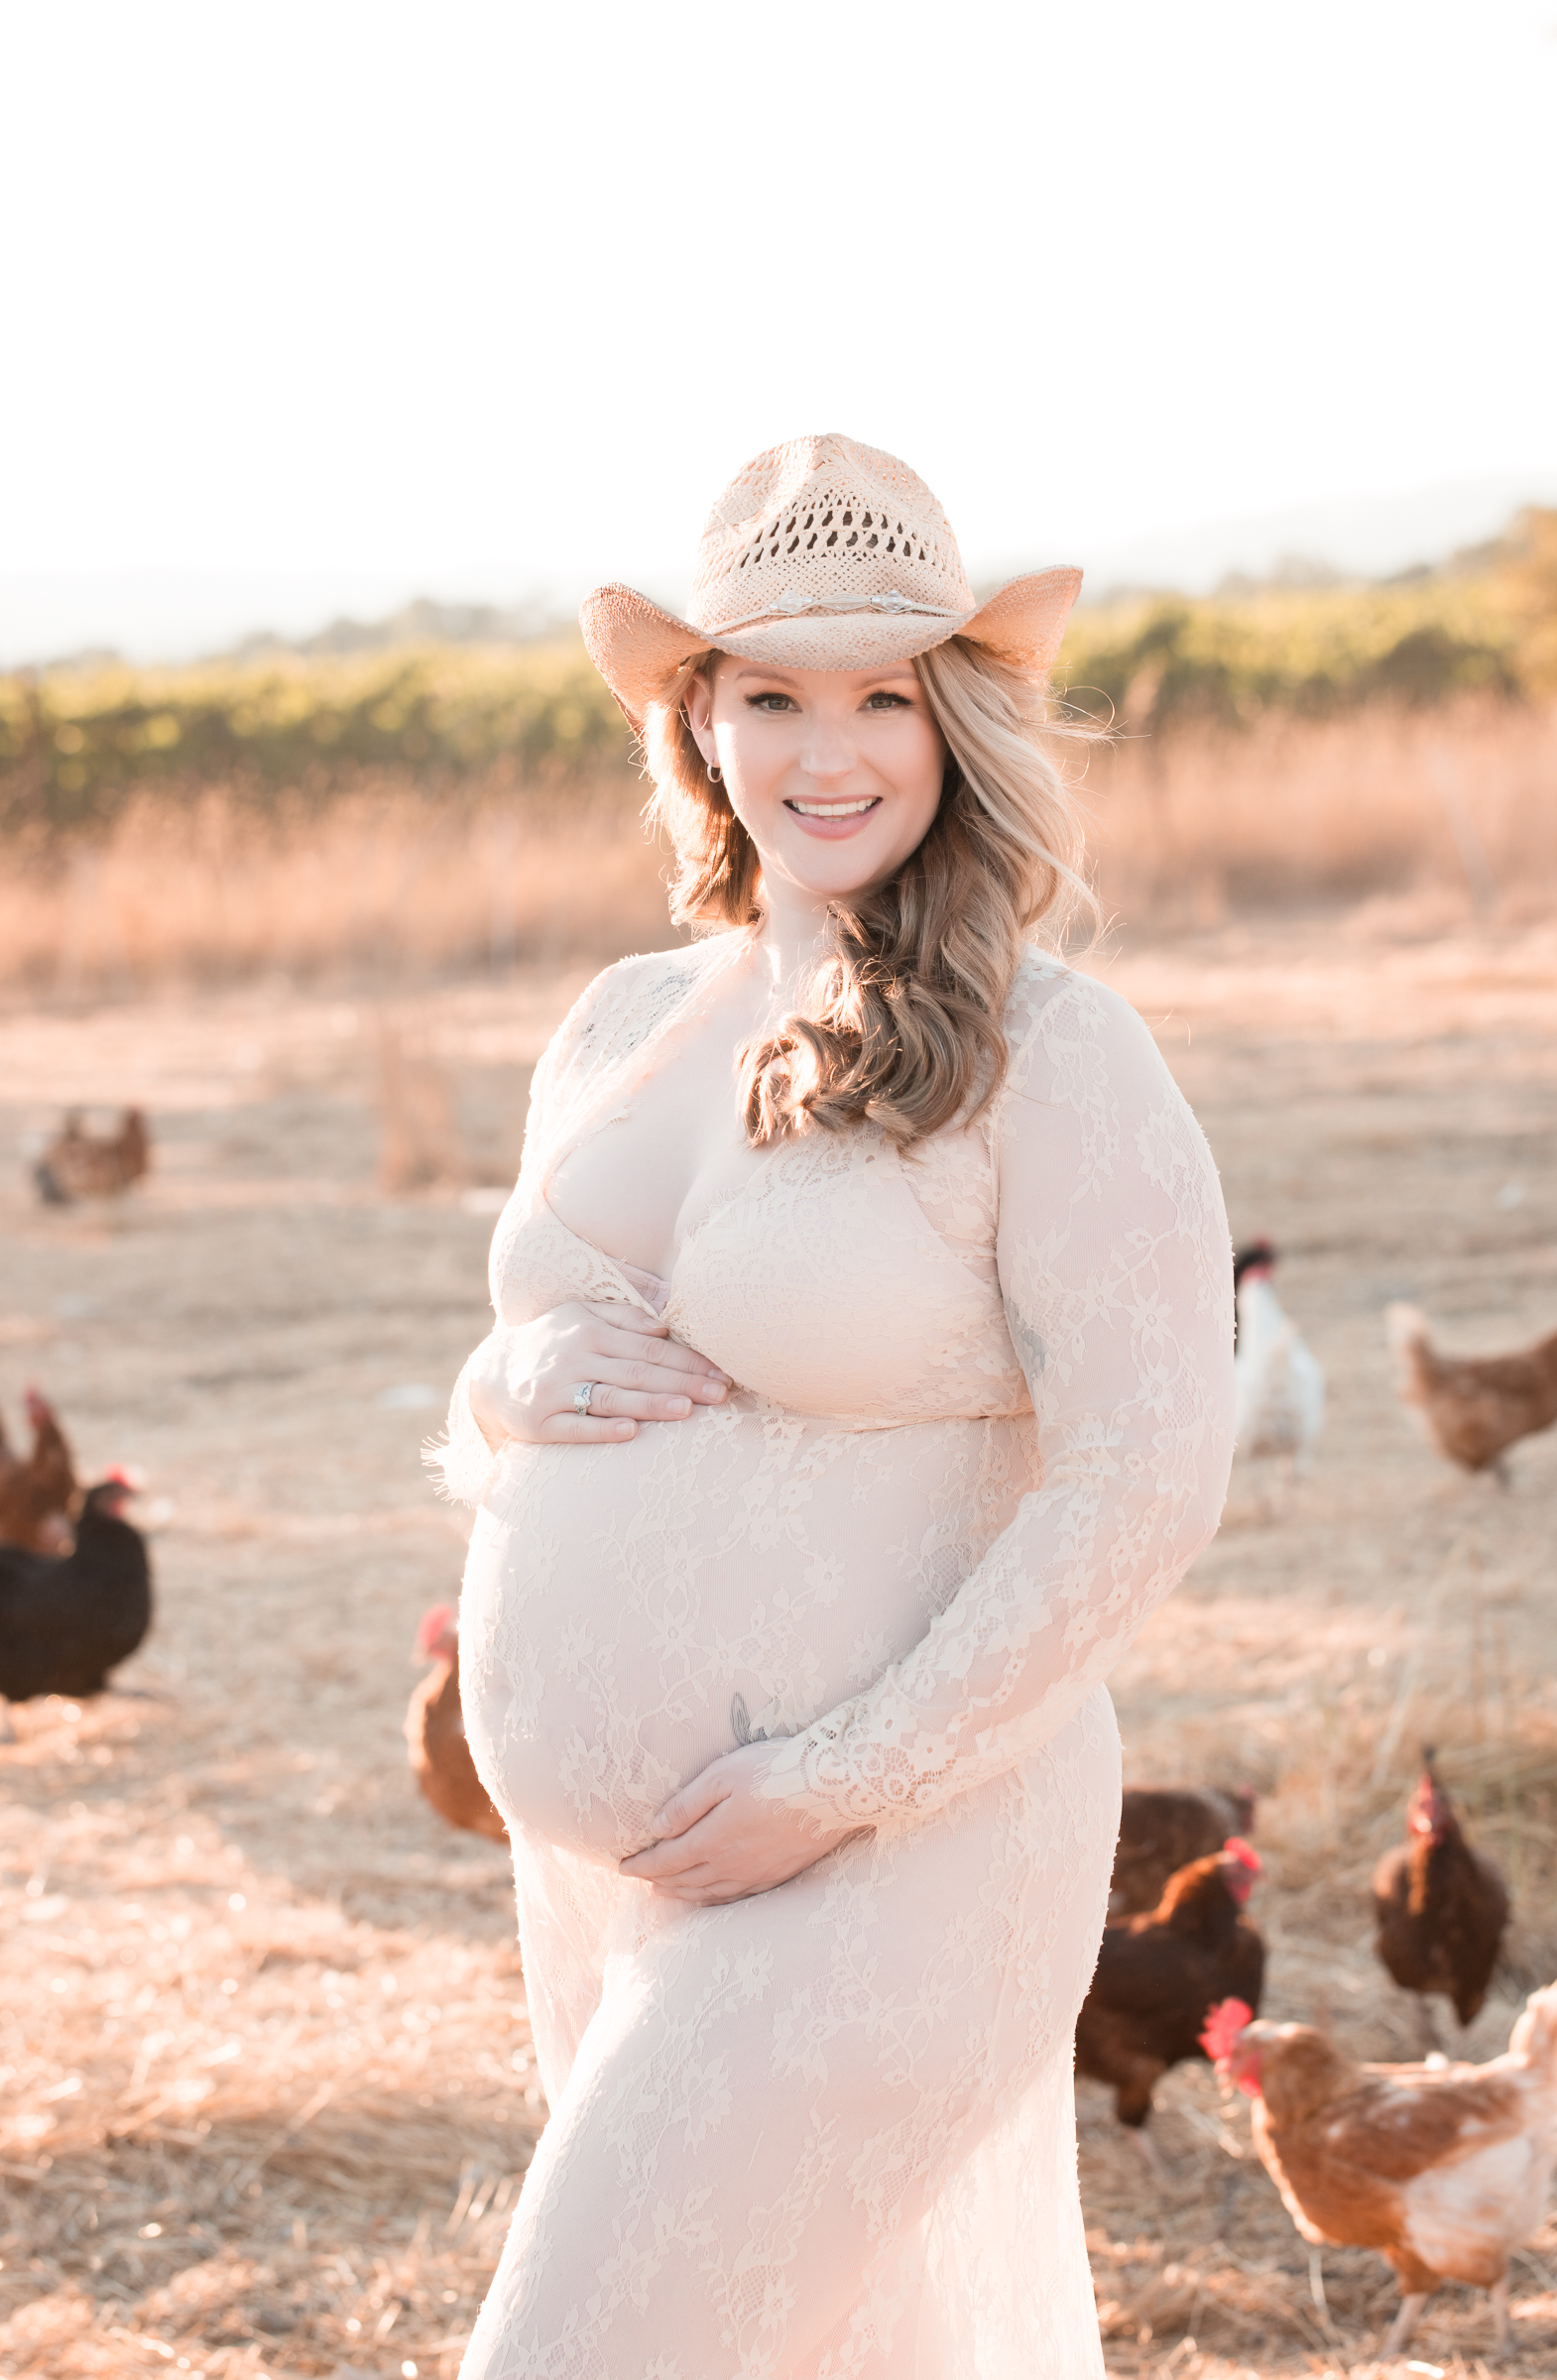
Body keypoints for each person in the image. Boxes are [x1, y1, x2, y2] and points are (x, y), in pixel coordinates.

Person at [433, 433, 1236, 2379]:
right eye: (771, 691)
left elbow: (1148, 1473)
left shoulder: (1050, 1049)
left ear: (953, 722)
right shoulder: (621, 1023)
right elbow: (508, 1394)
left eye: (883, 693)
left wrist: (843, 1773)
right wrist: (508, 1379)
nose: (829, 747)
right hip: (629, 1871)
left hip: (897, 1850)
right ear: (699, 719)